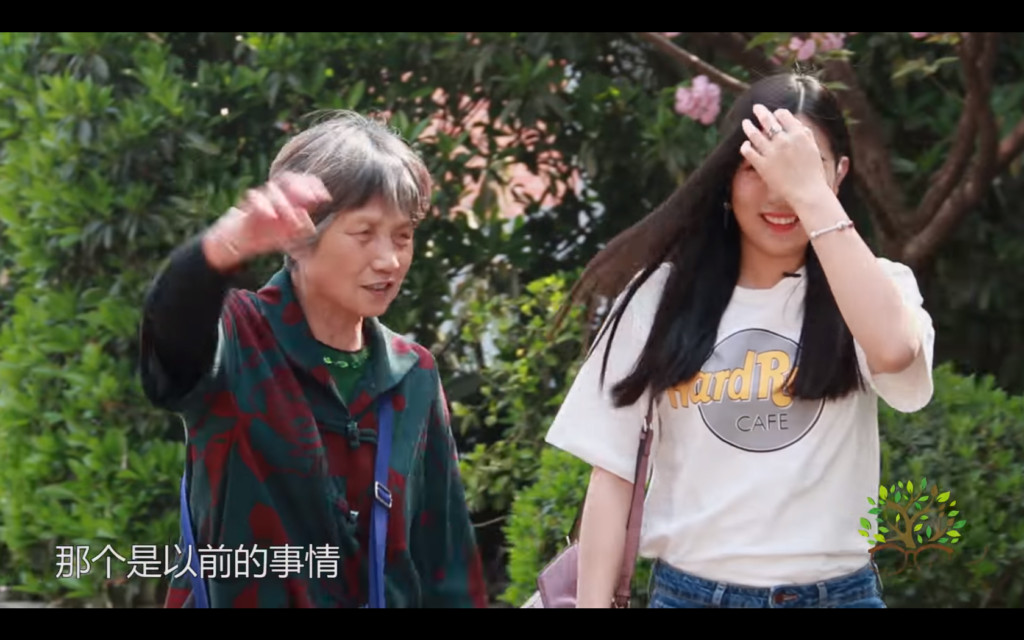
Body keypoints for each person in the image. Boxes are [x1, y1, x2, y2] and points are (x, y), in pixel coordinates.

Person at [543, 72, 935, 609]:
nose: (779, 192)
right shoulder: (659, 297)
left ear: (840, 173)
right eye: (756, 167)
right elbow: (612, 474)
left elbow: (894, 351)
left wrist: (811, 195)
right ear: (726, 174)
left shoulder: (878, 288)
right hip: (690, 596)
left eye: (800, 166)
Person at [138, 110, 488, 608]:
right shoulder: (238, 336)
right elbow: (169, 342)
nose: (389, 259)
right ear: (299, 238)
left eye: (403, 235)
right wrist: (220, 249)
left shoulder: (414, 373)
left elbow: (446, 559)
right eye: (364, 233)